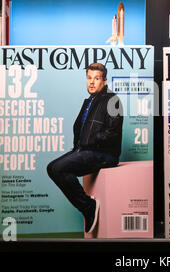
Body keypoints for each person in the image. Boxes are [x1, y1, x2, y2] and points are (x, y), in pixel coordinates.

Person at [47, 63, 123, 233]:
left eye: (96, 79)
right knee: (52, 168)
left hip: (103, 154)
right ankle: (87, 206)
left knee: (58, 169)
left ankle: (88, 207)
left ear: (104, 81)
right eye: (89, 78)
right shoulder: (90, 101)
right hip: (86, 150)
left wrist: (92, 140)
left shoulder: (113, 100)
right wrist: (78, 148)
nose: (92, 82)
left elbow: (113, 133)